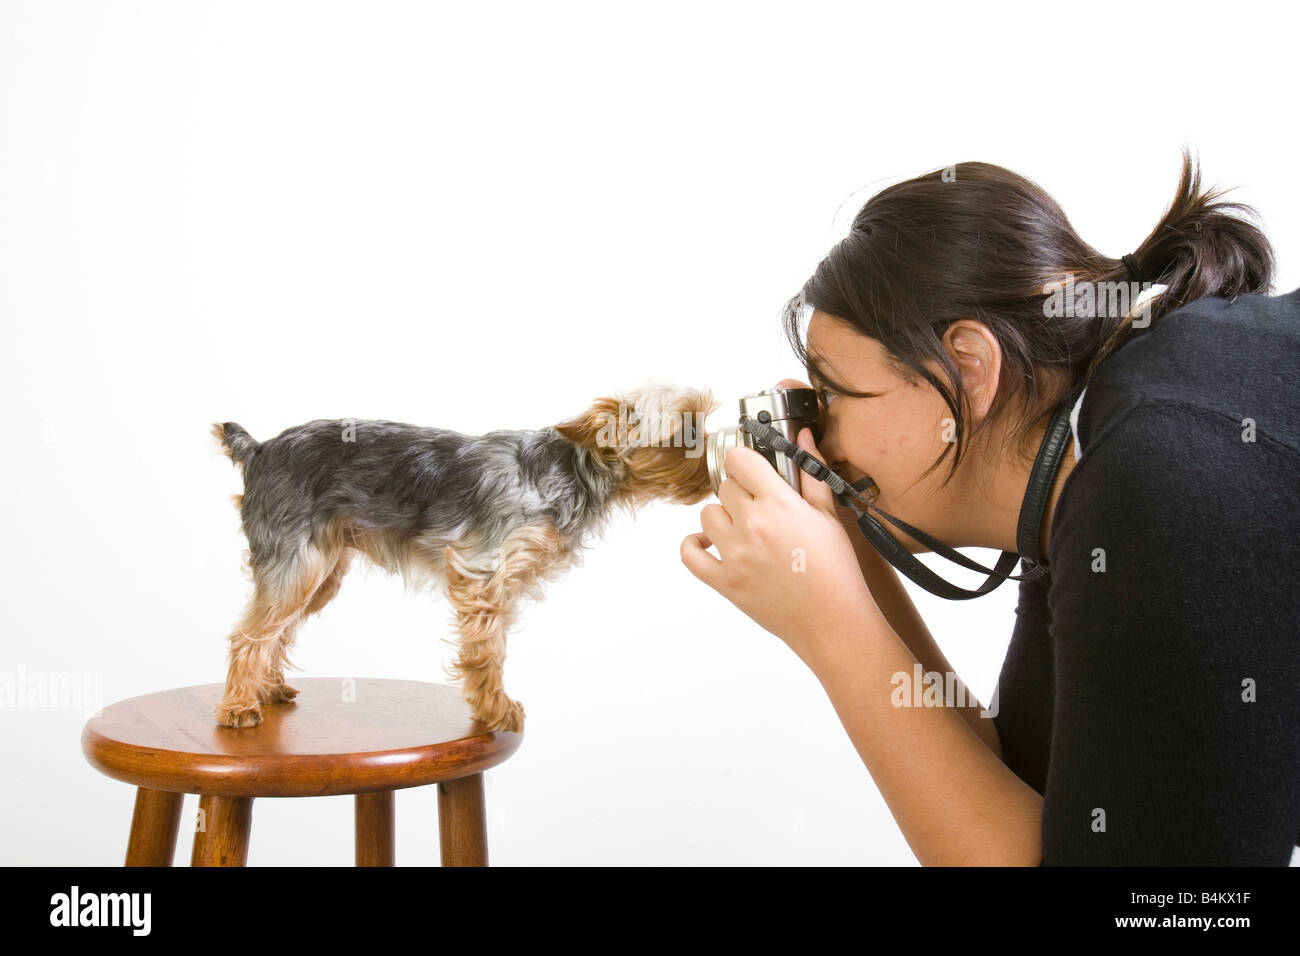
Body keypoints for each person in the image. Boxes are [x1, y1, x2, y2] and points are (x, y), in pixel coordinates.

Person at [680, 149, 1300, 866]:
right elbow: (1038, 805)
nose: (822, 435)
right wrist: (847, 570)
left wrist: (834, 628)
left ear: (968, 369)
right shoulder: (1085, 455)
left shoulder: (1162, 478)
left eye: (836, 393)